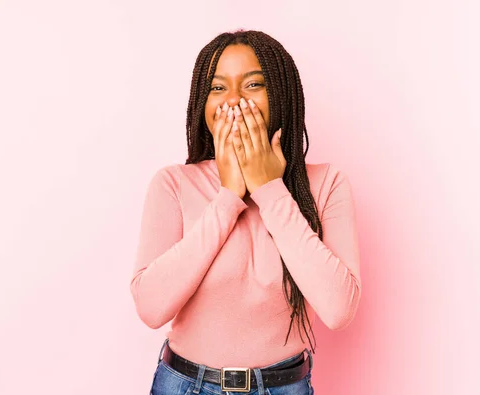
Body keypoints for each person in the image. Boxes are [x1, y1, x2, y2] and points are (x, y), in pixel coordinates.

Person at [130, 29, 362, 395]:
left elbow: (337, 310)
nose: (234, 101)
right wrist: (228, 197)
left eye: (253, 85)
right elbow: (151, 308)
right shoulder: (173, 184)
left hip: (284, 387)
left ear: (281, 95)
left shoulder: (327, 184)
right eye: (218, 88)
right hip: (185, 385)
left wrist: (269, 189)